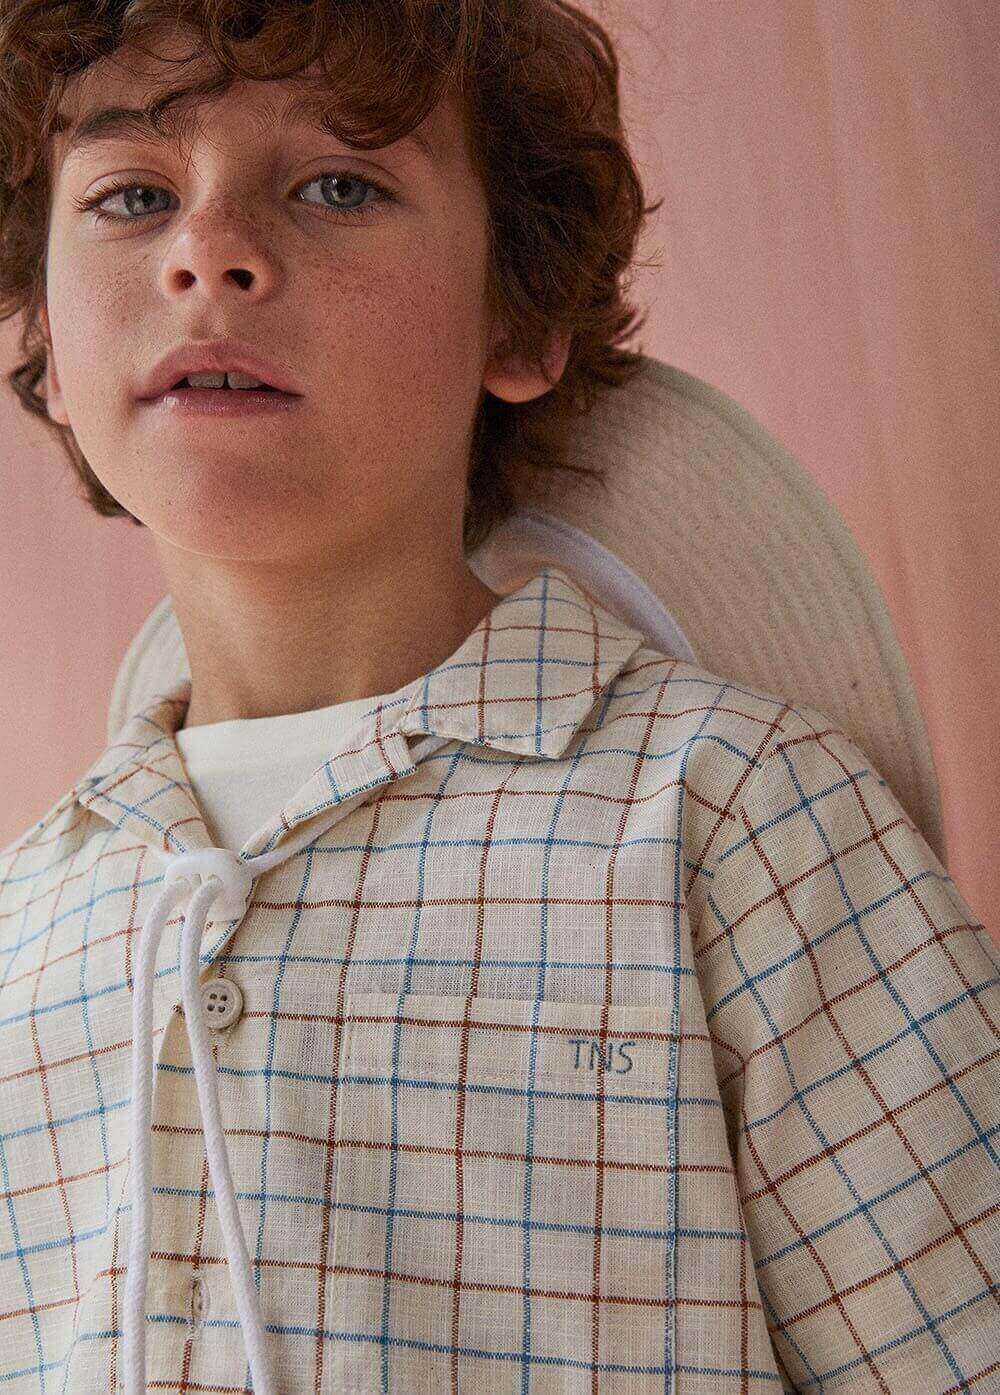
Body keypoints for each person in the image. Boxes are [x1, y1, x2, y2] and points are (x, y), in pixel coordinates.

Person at [1, 4, 997, 1393]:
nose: (206, 251)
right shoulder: (20, 929)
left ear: (517, 318)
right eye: (131, 197)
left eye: (337, 186)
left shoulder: (735, 823)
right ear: (46, 340)